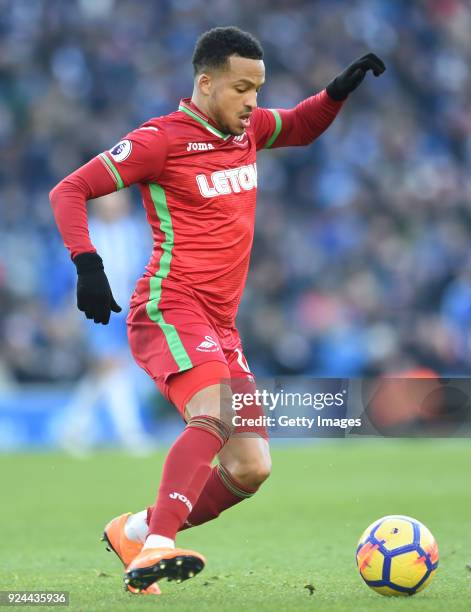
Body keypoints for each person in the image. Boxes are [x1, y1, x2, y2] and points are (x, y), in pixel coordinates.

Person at [49, 26, 385, 595]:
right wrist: (87, 262)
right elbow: (69, 190)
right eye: (241, 88)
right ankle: (158, 548)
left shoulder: (247, 129)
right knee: (214, 413)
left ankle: (133, 531)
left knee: (252, 466)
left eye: (258, 88)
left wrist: (336, 92)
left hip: (220, 324)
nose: (253, 101)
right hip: (170, 306)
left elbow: (299, 126)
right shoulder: (160, 139)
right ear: (205, 83)